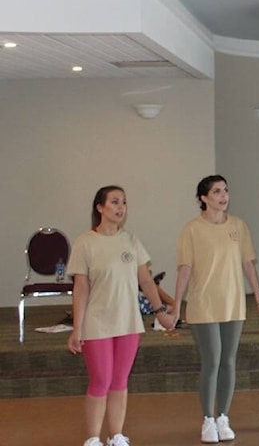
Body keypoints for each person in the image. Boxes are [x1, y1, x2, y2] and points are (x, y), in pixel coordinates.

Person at [67, 186, 175, 446]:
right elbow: (80, 288)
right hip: (97, 323)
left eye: (124, 202)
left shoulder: (131, 240)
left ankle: (116, 435)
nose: (120, 207)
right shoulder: (85, 242)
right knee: (101, 379)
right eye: (114, 202)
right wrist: (76, 328)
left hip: (128, 323)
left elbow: (147, 282)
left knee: (119, 380)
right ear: (100, 208)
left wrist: (160, 311)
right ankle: (93, 438)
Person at [172, 175, 259, 444]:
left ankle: (223, 416)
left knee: (228, 361)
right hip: (203, 305)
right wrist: (176, 307)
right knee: (212, 360)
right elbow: (184, 269)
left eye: (225, 190)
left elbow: (249, 265)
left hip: (233, 304)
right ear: (203, 198)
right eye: (216, 191)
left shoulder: (238, 226)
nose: (223, 195)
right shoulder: (191, 229)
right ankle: (207, 419)